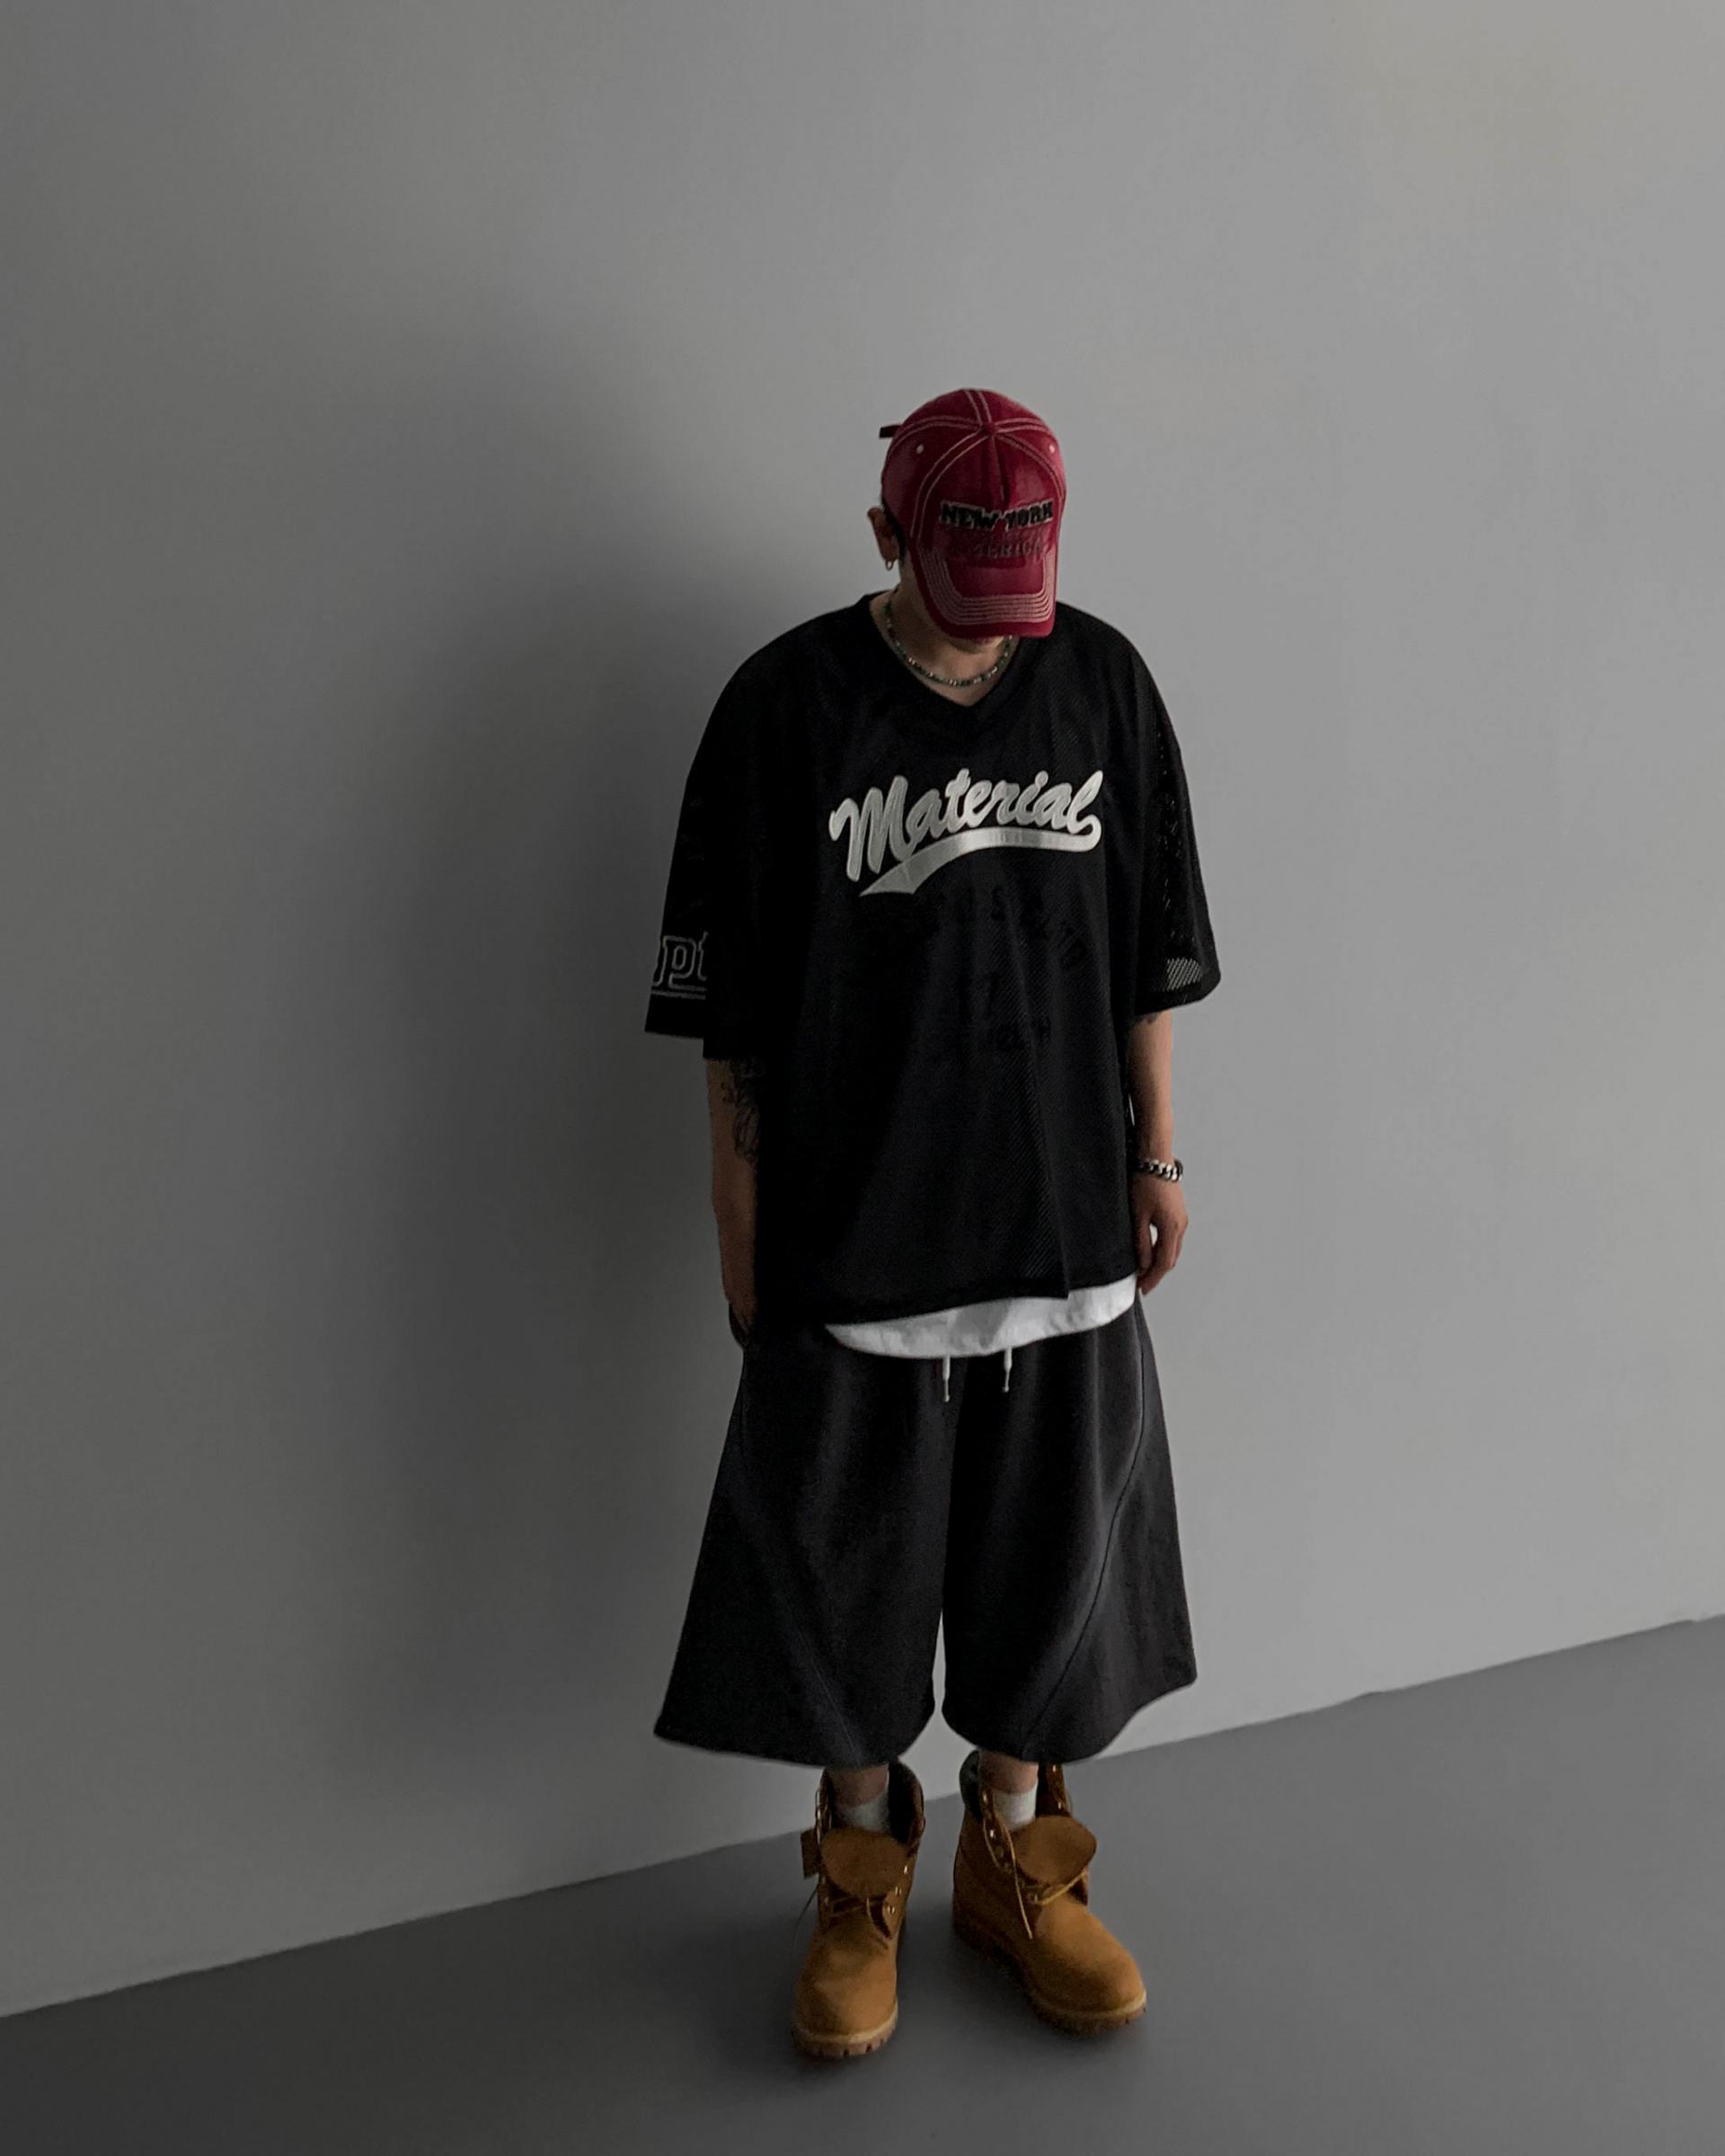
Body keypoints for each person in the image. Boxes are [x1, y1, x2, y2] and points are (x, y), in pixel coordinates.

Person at [642, 385, 1221, 2060]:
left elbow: (1148, 950)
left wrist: (1159, 1156)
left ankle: (1018, 1858)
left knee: (1056, 1572)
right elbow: (729, 1008)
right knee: (846, 1575)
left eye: (1019, 585)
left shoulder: (1103, 682)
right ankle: (858, 1876)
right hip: (859, 1224)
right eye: (963, 583)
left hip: (1063, 1217)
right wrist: (737, 1207)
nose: (992, 626)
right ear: (887, 532)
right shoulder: (785, 707)